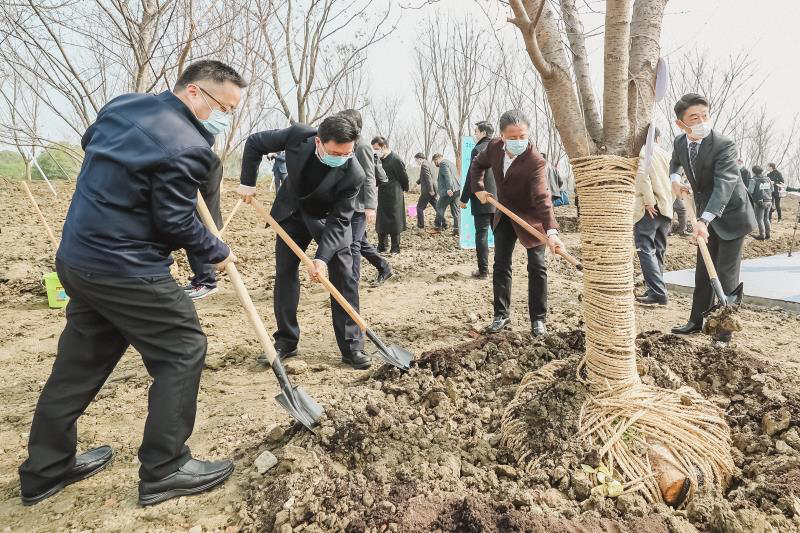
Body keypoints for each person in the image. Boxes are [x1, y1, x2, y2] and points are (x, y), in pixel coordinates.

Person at [18, 60, 245, 507]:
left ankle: (45, 471)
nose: (225, 118)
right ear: (194, 93)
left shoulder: (122, 107)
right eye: (224, 107)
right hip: (125, 269)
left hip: (77, 259)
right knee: (183, 347)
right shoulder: (188, 147)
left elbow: (96, 147)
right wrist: (216, 251)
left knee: (78, 366)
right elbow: (176, 221)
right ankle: (166, 468)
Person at [238, 115, 371, 370]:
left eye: (346, 153)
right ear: (318, 141)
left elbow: (339, 221)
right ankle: (286, 341)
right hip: (291, 211)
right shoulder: (298, 135)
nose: (341, 158)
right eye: (335, 152)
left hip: (327, 220)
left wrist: (321, 259)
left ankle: (352, 345)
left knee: (344, 275)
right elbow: (255, 142)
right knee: (285, 273)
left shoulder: (354, 173)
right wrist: (247, 183)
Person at [668, 93, 756, 344]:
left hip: (730, 214)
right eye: (694, 117)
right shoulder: (680, 142)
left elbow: (725, 185)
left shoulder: (723, 144)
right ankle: (696, 321)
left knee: (725, 274)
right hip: (703, 214)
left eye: (705, 116)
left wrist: (704, 220)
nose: (701, 121)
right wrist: (675, 179)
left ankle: (723, 333)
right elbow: (675, 163)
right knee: (702, 272)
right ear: (681, 123)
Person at [468, 109, 565, 337]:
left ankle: (538, 320)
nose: (519, 141)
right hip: (504, 214)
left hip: (531, 217)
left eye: (523, 136)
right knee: (501, 264)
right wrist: (479, 189)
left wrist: (551, 230)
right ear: (502, 136)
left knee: (537, 267)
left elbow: (542, 197)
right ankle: (501, 315)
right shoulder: (492, 148)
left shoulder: (535, 161)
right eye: (513, 138)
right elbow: (477, 165)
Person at [338, 109, 393, 286]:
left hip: (360, 204)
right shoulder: (350, 144)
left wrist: (370, 206)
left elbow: (369, 176)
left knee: (353, 244)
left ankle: (351, 282)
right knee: (359, 241)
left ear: (355, 126)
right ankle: (384, 266)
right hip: (349, 202)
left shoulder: (362, 147)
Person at [633, 126, 673, 306]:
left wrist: (649, 201)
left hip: (650, 208)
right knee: (658, 250)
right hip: (666, 208)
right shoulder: (666, 154)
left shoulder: (644, 152)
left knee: (646, 249)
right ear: (658, 138)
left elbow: (642, 175)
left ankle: (658, 292)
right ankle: (656, 289)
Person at [459, 121, 497, 279]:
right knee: (499, 234)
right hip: (498, 199)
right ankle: (500, 268)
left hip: (482, 198)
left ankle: (483, 271)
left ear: (483, 133)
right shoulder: (501, 148)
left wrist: (464, 198)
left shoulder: (478, 149)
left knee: (481, 234)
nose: (474, 135)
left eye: (476, 132)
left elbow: (472, 175)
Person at [182, 157, 224, 300]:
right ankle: (199, 280)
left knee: (198, 236)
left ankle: (208, 282)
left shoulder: (205, 158)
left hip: (203, 204)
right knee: (190, 236)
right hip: (195, 200)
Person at [371, 136, 409, 254]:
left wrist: (402, 189)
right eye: (374, 149)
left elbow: (404, 178)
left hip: (395, 193)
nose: (375, 151)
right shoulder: (378, 159)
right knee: (381, 220)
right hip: (382, 192)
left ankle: (395, 247)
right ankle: (382, 246)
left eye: (377, 148)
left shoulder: (396, 159)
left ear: (384, 147)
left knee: (394, 220)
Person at [433, 154, 461, 234]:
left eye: (435, 161)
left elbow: (447, 176)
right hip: (457, 189)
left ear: (437, 159)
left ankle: (438, 227)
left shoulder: (443, 163)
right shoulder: (451, 163)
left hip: (449, 190)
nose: (435, 164)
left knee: (439, 206)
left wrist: (449, 188)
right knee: (455, 210)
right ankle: (457, 229)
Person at [414, 152, 438, 229]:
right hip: (434, 188)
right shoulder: (430, 164)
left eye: (416, 160)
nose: (416, 162)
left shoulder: (424, 165)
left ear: (420, 159)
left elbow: (428, 178)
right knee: (437, 207)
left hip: (428, 190)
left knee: (419, 207)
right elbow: (425, 176)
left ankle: (420, 226)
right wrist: (417, 182)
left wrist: (431, 190)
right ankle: (443, 223)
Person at [749, 165, 773, 240]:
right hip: (769, 201)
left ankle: (762, 235)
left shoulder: (753, 180)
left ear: (753, 172)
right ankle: (768, 235)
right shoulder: (768, 178)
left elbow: (750, 191)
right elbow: (772, 189)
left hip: (760, 202)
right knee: (766, 218)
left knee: (759, 219)